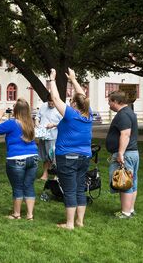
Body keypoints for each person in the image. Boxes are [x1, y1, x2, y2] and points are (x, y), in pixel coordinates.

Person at [49, 68, 93, 230]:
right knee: (80, 188)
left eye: (72, 101)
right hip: (84, 157)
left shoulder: (70, 113)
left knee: (69, 190)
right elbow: (83, 98)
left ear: (74, 104)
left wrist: (52, 79)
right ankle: (79, 222)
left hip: (67, 157)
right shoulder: (88, 114)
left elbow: (55, 97)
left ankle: (69, 224)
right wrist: (73, 80)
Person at [0, 98, 39, 221]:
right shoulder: (30, 123)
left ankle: (16, 214)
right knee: (29, 186)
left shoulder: (12, 123)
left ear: (16, 110)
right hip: (33, 158)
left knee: (17, 187)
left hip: (16, 159)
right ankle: (30, 215)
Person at [106, 90, 139, 219]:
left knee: (124, 182)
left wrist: (120, 153)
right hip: (132, 153)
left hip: (126, 153)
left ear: (116, 101)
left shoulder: (123, 115)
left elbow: (125, 134)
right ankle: (130, 209)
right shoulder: (129, 112)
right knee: (132, 181)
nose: (109, 104)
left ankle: (125, 212)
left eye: (110, 101)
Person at [34, 94, 62, 180]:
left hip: (53, 136)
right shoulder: (43, 106)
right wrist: (37, 122)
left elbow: (64, 123)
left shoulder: (60, 108)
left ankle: (57, 175)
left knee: (53, 157)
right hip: (42, 135)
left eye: (52, 103)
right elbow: (37, 117)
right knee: (45, 156)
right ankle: (45, 174)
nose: (50, 105)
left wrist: (53, 125)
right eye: (49, 103)